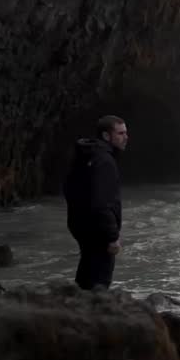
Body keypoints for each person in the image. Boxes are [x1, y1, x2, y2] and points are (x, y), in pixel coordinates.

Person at [64, 115, 128, 289]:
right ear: (106, 136)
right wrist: (112, 236)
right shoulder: (105, 161)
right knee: (99, 281)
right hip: (97, 229)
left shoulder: (85, 155)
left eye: (125, 133)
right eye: (120, 133)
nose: (126, 137)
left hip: (81, 224)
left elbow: (68, 188)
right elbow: (103, 202)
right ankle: (92, 312)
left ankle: (78, 309)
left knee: (86, 273)